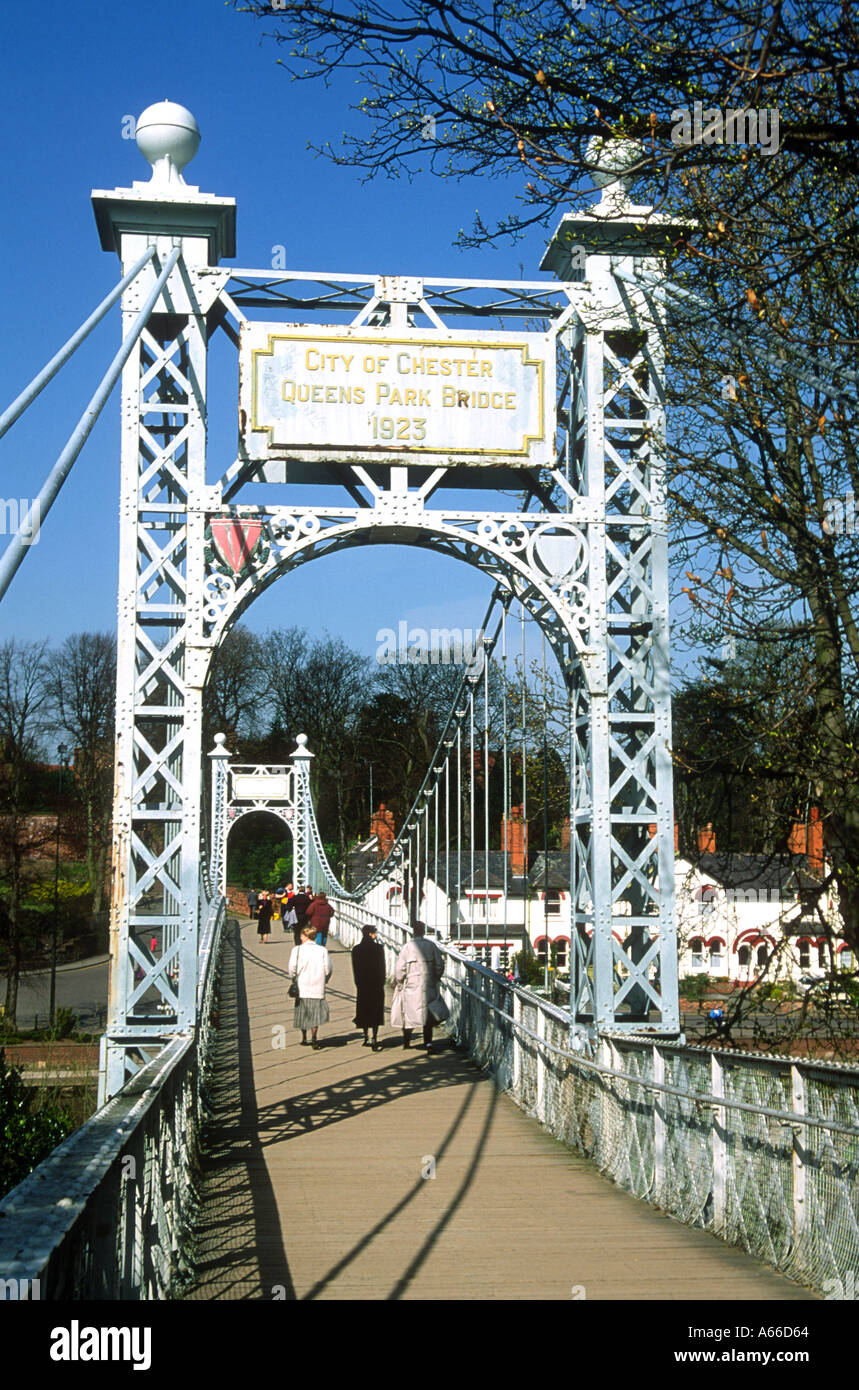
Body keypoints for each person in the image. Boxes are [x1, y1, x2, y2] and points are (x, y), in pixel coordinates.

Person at [391, 922, 445, 1053]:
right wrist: (436, 976)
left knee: (409, 1013)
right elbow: (440, 964)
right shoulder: (431, 946)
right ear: (424, 932)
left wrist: (399, 982)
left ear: (413, 932)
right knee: (428, 1016)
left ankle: (407, 1041)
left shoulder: (407, 948)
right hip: (429, 983)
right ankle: (428, 1043)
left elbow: (400, 968)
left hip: (411, 985)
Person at [288, 923, 332, 1049]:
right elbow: (328, 968)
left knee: (302, 1012)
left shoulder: (297, 950)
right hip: (317, 984)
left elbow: (292, 969)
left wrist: (293, 978)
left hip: (302, 985)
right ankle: (314, 1037)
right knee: (315, 1013)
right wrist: (325, 979)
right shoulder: (322, 950)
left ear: (304, 936)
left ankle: (304, 1037)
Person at [351, 923, 386, 1050]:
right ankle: (374, 1037)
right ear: (371, 934)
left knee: (364, 1009)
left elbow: (355, 969)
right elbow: (382, 967)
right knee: (376, 1011)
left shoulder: (356, 949)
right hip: (376, 983)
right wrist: (382, 982)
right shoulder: (379, 948)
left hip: (363, 984)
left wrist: (358, 983)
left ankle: (365, 1037)